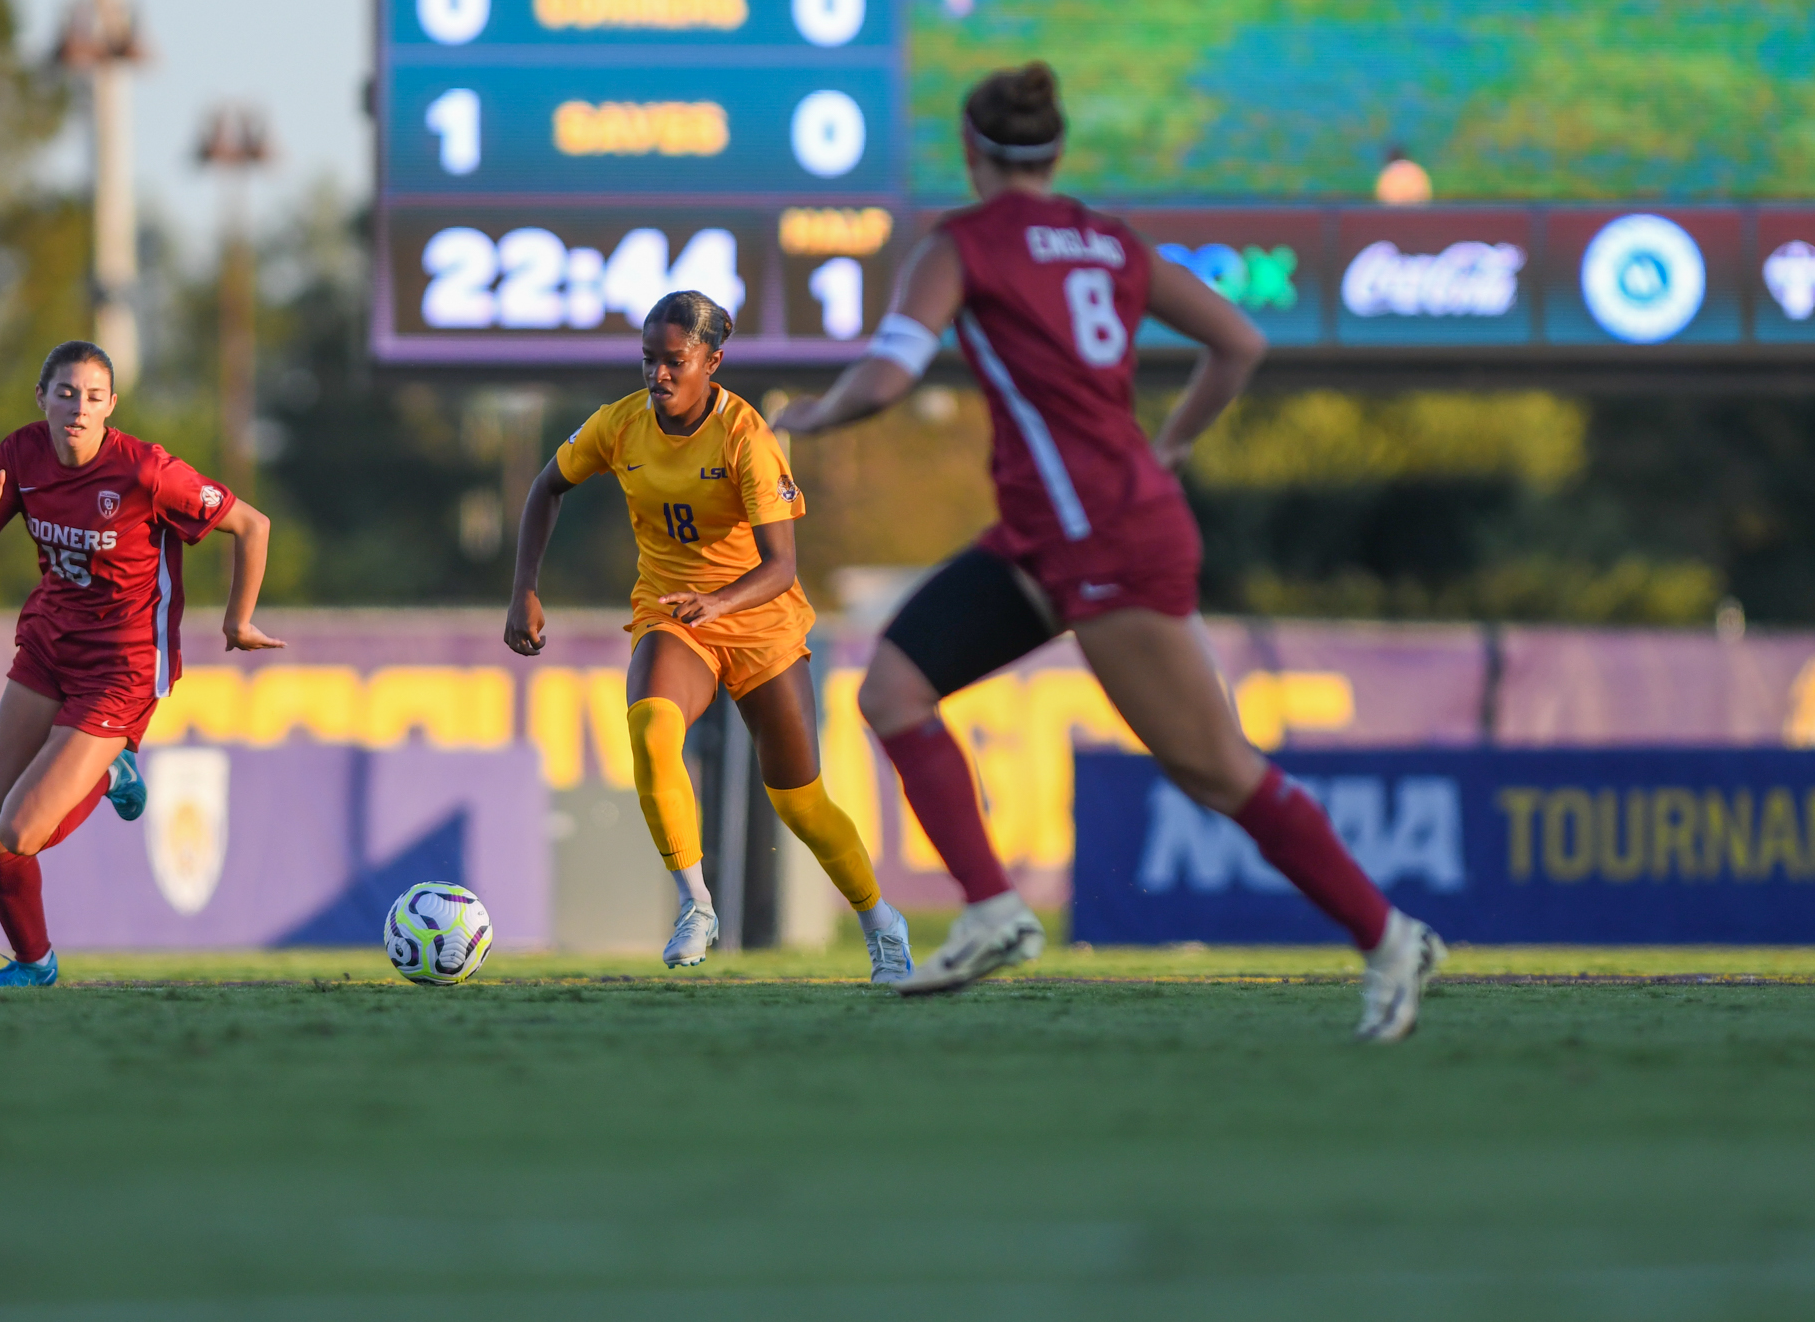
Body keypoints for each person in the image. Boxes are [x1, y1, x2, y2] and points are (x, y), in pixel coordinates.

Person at [773, 63, 1446, 1040]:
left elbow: (885, 377)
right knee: (892, 692)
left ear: (970, 152)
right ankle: (994, 911)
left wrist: (815, 414)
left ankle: (1389, 935)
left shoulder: (961, 244)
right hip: (1053, 529)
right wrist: (1167, 445)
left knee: (1214, 769)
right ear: (1054, 153)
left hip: (1100, 535)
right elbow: (1239, 341)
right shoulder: (1105, 241)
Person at [504, 291, 913, 982]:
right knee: (652, 730)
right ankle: (696, 903)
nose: (658, 376)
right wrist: (524, 588)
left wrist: (719, 601)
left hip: (758, 622)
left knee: (800, 801)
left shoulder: (746, 437)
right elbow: (547, 487)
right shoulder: (619, 425)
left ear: (713, 361)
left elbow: (783, 566)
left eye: (674, 361)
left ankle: (881, 920)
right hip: (673, 614)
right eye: (648, 360)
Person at [0, 340, 283, 986]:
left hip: (122, 664)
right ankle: (33, 964)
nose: (78, 406)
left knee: (18, 831)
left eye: (93, 396)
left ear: (111, 406)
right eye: (66, 392)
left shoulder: (147, 471)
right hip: (48, 643)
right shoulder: (21, 454)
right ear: (41, 396)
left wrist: (238, 619)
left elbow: (253, 523)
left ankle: (111, 769)